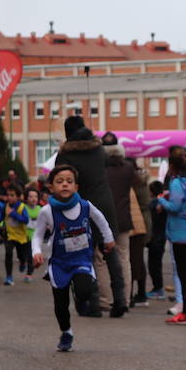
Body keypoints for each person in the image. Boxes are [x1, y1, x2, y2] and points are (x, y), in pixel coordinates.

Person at [31, 165, 115, 352]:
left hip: (82, 259)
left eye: (69, 181)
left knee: (84, 290)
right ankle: (66, 332)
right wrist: (36, 252)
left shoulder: (85, 206)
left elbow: (101, 220)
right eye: (60, 182)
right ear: (51, 188)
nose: (65, 185)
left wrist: (108, 239)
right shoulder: (47, 212)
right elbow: (37, 235)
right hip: (59, 263)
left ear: (76, 187)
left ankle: (80, 296)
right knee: (61, 305)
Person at [56, 115, 127, 318]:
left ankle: (92, 304)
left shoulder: (65, 154)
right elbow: (106, 163)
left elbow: (61, 178)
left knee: (85, 254)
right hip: (105, 204)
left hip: (80, 207)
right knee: (110, 251)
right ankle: (120, 300)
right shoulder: (98, 148)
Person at [157, 145, 186, 325]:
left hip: (179, 231)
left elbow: (175, 207)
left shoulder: (177, 183)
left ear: (172, 165)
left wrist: (161, 199)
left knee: (184, 274)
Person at [101, 132, 134, 309]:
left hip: (103, 220)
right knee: (123, 258)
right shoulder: (129, 168)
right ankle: (126, 299)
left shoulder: (100, 170)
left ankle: (106, 300)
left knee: (100, 259)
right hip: (123, 219)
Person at [126, 157, 153, 307]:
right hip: (142, 223)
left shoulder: (135, 182)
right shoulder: (141, 181)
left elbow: (141, 203)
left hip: (136, 224)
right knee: (137, 259)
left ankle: (133, 294)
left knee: (132, 260)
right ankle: (139, 293)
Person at [3, 186, 31, 285]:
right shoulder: (6, 205)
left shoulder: (22, 207)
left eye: (12, 195)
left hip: (21, 237)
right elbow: (2, 218)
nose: (9, 197)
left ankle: (23, 262)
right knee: (8, 253)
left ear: (18, 197)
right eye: (8, 195)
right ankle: (9, 277)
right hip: (10, 235)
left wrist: (13, 214)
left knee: (21, 256)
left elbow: (26, 220)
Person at [146, 181, 167, 299]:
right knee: (155, 264)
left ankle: (158, 288)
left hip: (156, 238)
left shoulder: (154, 204)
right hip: (160, 237)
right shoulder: (162, 203)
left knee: (154, 265)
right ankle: (157, 288)